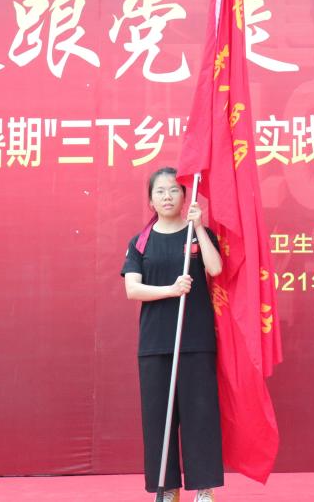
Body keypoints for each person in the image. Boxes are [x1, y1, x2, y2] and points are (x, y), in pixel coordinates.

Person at [122, 167, 224, 502]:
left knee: (200, 415)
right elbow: (132, 289)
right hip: (155, 343)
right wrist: (171, 289)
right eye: (160, 191)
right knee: (158, 419)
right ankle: (167, 489)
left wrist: (198, 227)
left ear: (184, 196)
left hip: (195, 339)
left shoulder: (197, 234)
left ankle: (204, 488)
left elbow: (215, 268)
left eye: (174, 190)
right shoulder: (141, 242)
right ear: (151, 200)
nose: (167, 196)